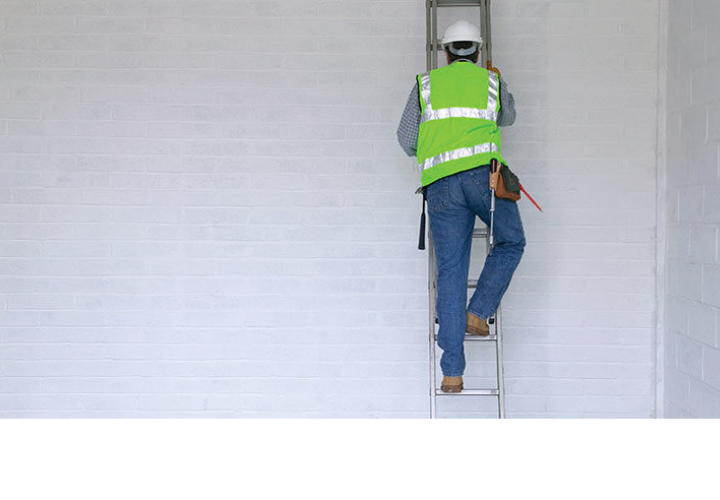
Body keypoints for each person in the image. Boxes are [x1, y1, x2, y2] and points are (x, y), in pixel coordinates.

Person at [397, 20, 526, 394]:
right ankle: (478, 310)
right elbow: (509, 118)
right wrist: (499, 82)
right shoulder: (490, 83)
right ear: (479, 51)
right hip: (483, 180)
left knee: (450, 274)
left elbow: (405, 139)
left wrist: (434, 150)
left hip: (439, 187)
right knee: (511, 242)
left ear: (446, 51)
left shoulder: (425, 85)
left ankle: (452, 374)